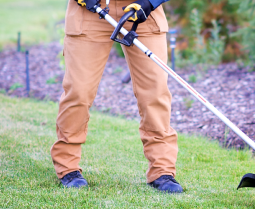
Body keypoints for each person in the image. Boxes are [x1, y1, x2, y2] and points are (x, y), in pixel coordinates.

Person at [50, 0, 182, 193]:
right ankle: (67, 167)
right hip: (90, 10)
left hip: (143, 11)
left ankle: (162, 171)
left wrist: (151, 1)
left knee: (155, 93)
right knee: (79, 91)